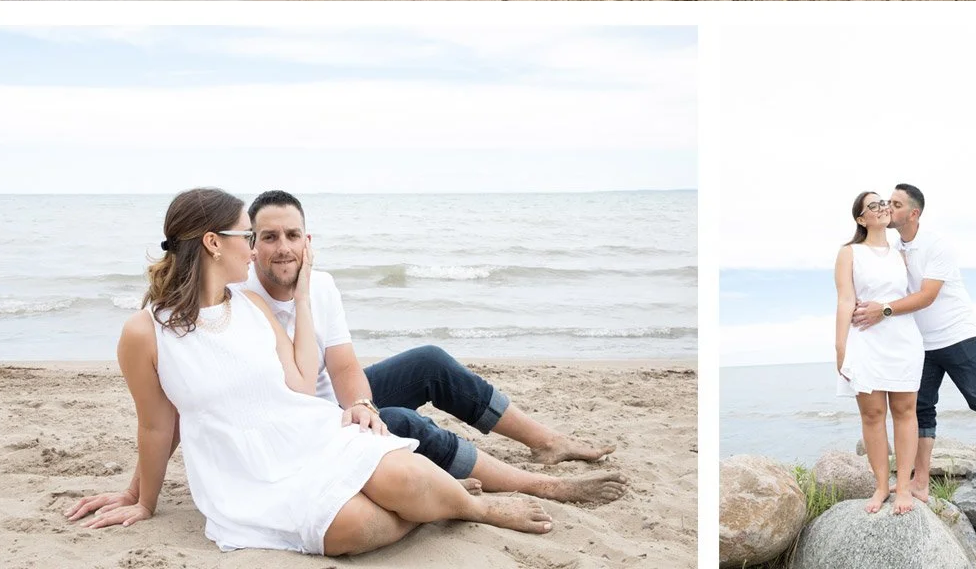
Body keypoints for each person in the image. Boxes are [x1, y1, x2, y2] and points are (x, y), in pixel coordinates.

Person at [69, 190, 625, 538]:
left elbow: (337, 368)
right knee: (400, 432)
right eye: (260, 237)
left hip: (310, 416)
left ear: (307, 240)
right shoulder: (166, 324)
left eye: (291, 236)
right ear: (233, 244)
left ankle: (532, 456)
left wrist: (359, 402)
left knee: (418, 376)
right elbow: (160, 420)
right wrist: (140, 496)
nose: (277, 248)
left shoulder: (286, 295)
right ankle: (461, 496)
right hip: (278, 433)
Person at [852, 183, 976, 500]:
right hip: (920, 345)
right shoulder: (895, 250)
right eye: (887, 203)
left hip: (957, 337)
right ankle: (921, 482)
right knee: (922, 410)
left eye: (895, 204)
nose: (888, 208)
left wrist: (882, 311)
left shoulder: (937, 246)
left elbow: (926, 296)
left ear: (913, 213)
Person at [834, 191, 923, 514]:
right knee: (872, 415)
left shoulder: (902, 252)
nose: (883, 207)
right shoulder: (850, 253)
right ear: (861, 218)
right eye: (873, 205)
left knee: (905, 411)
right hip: (865, 340)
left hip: (903, 339)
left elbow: (916, 295)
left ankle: (904, 488)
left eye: (884, 202)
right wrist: (840, 347)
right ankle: (881, 485)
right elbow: (846, 300)